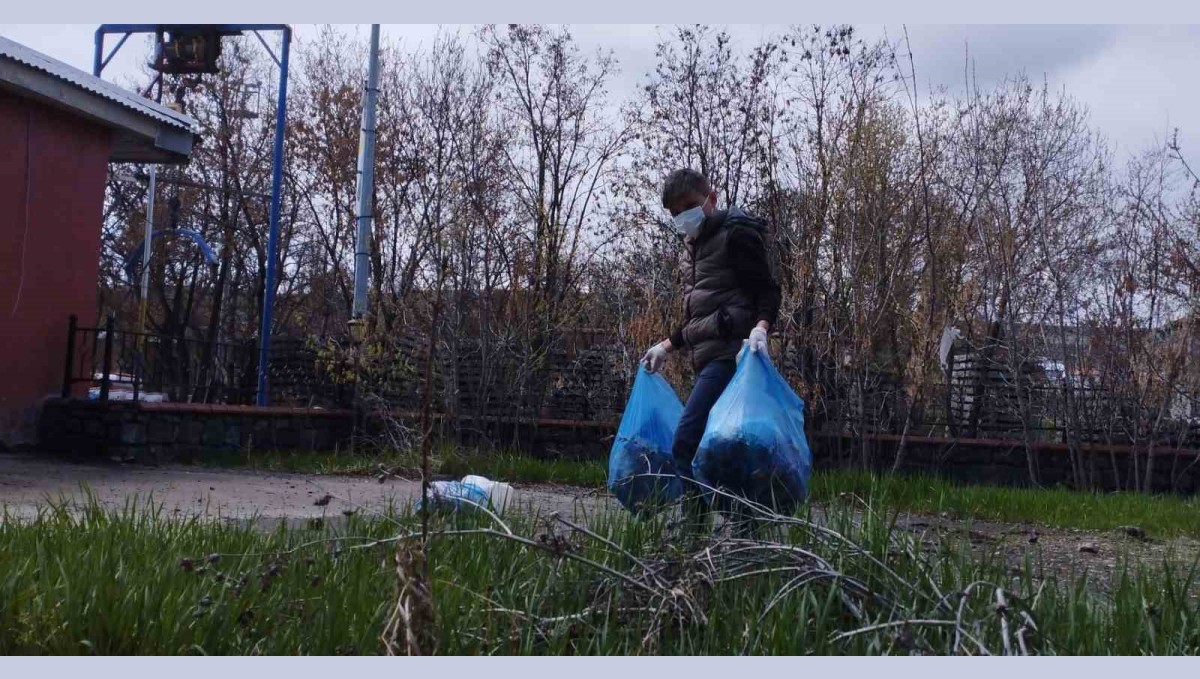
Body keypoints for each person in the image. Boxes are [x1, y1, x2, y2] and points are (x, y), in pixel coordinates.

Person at [641, 168, 782, 535]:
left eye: (688, 207)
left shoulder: (735, 234)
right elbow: (704, 318)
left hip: (730, 357)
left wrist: (761, 328)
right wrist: (666, 346)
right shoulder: (698, 247)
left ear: (711, 199)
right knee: (720, 446)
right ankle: (742, 525)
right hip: (710, 358)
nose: (682, 218)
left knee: (686, 441)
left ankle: (701, 524)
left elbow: (767, 291)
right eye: (674, 213)